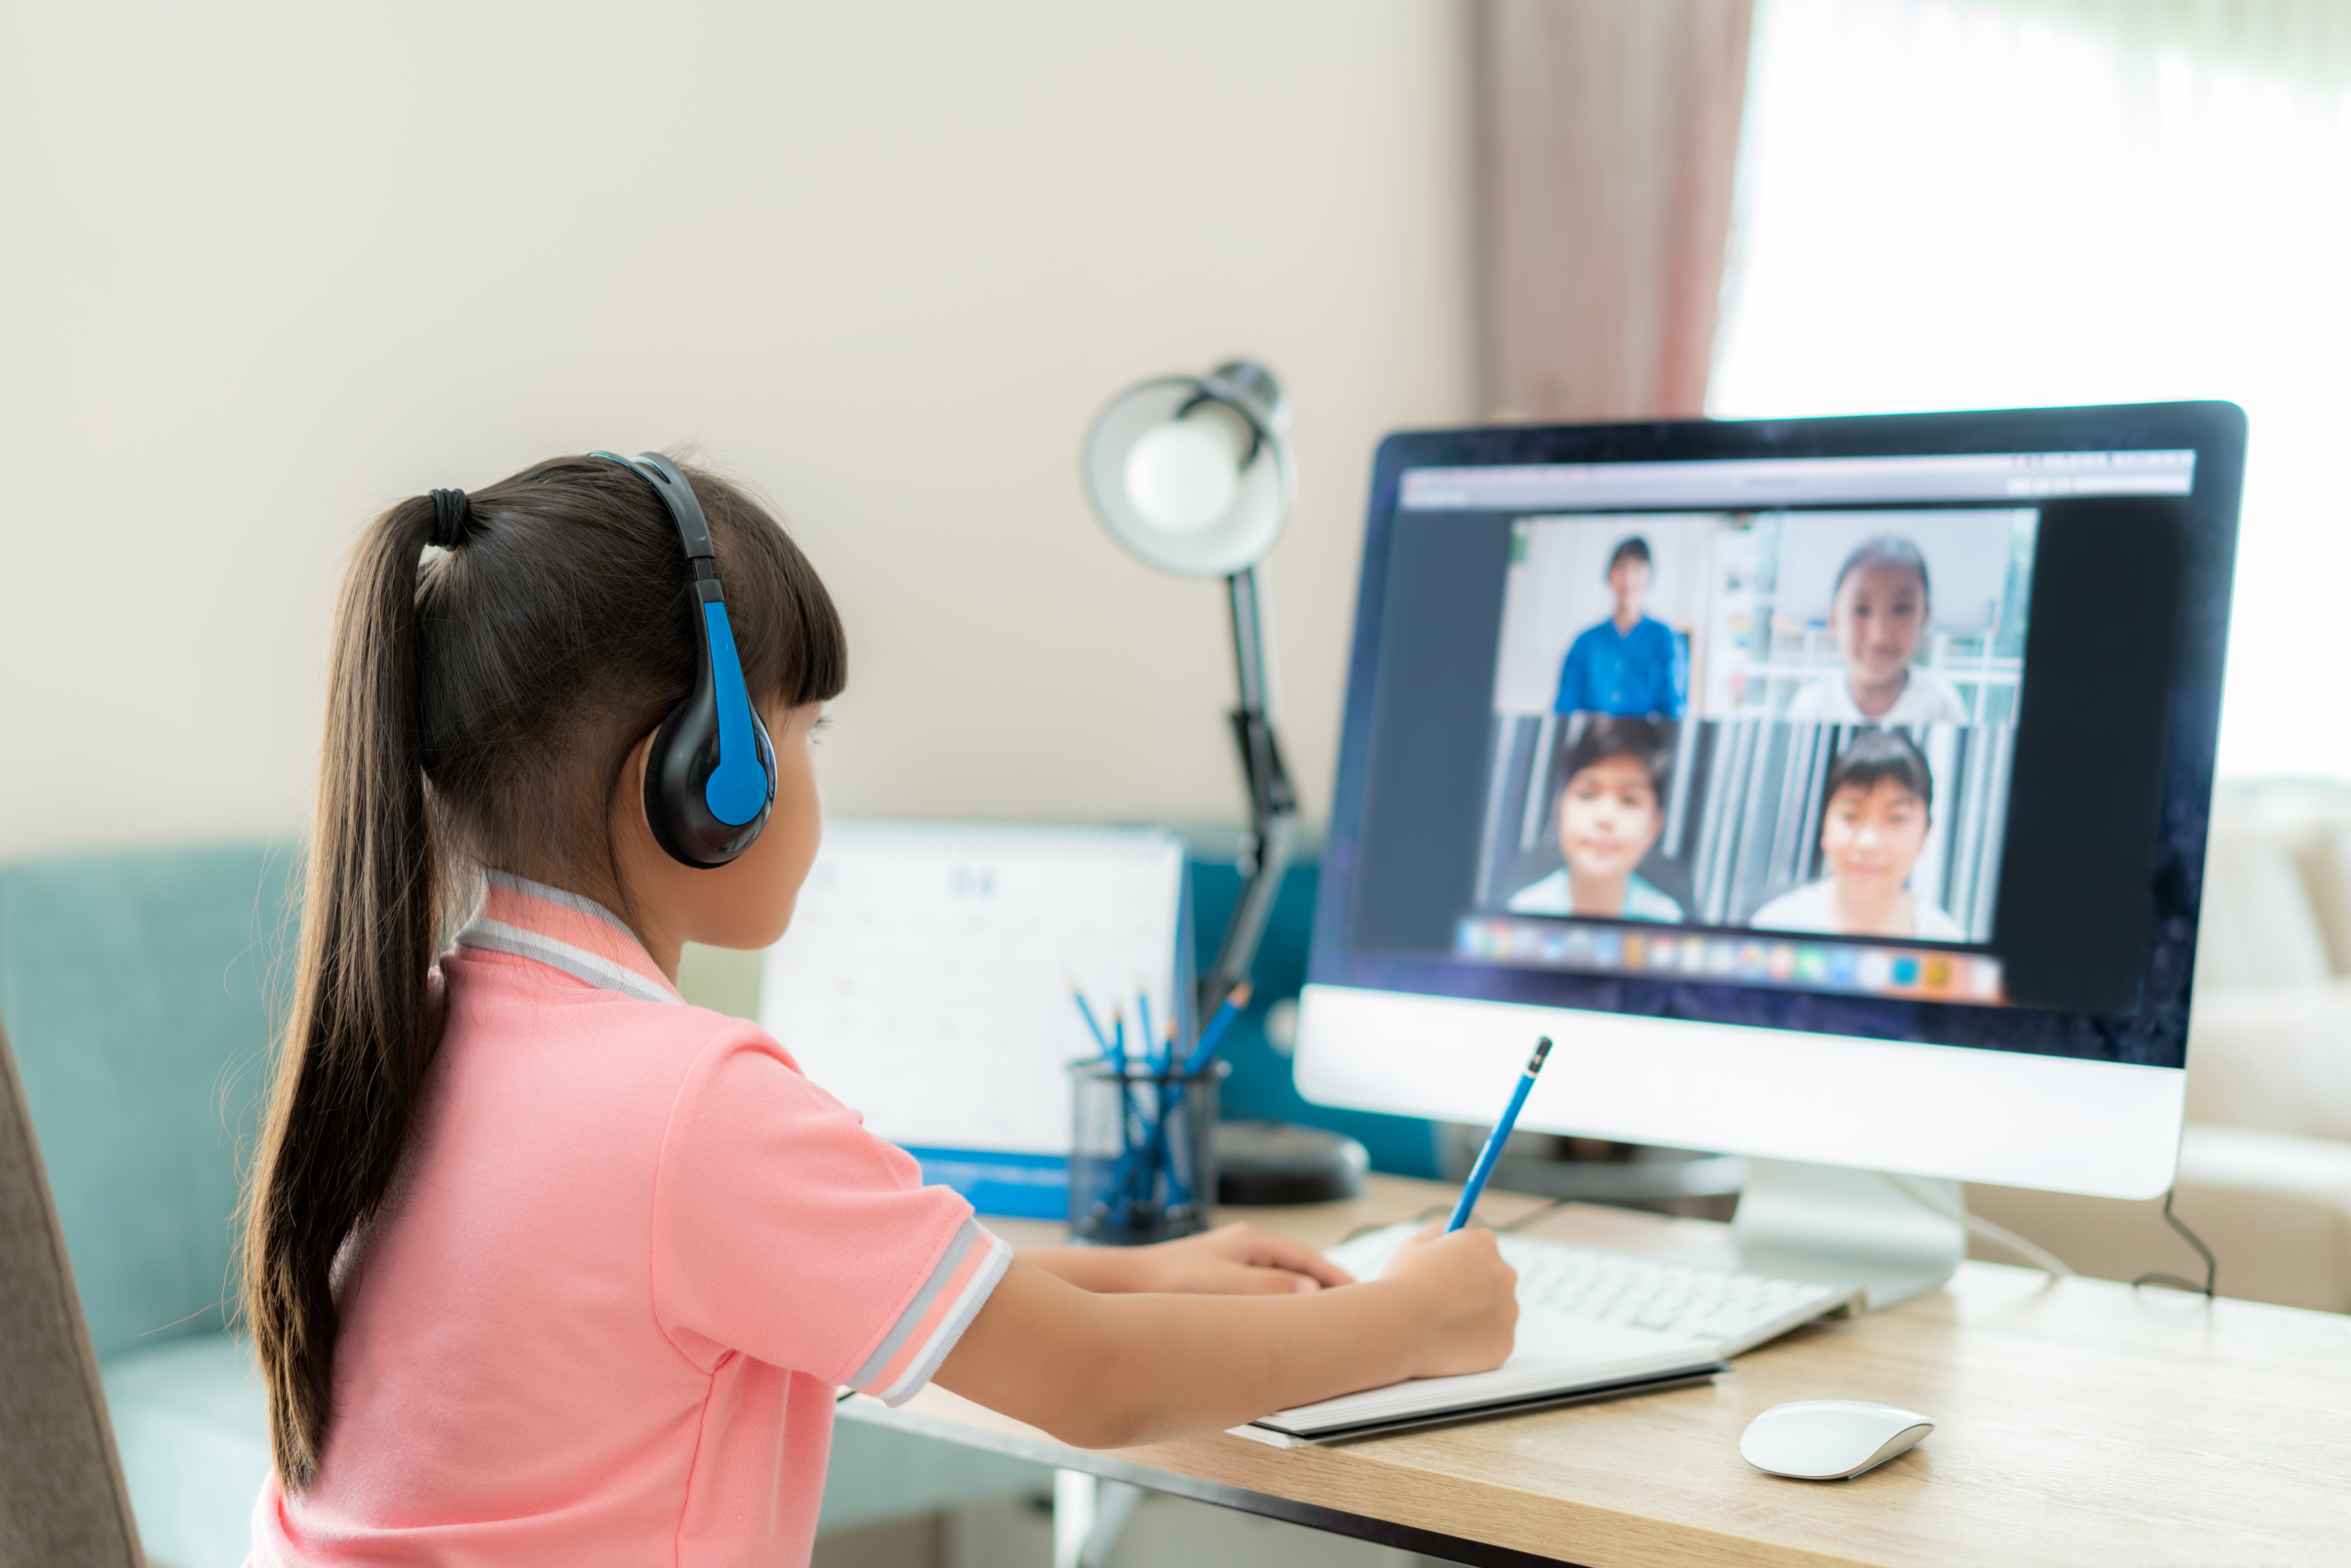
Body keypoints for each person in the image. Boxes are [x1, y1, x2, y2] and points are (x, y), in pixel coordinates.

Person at [240, 456, 1517, 1566]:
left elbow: (752, 1290)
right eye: (806, 730)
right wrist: (1412, 1317)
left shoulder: (410, 1027)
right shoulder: (689, 1105)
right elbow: (1091, 1386)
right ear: (705, 781)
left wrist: (1131, 1277)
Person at [1748, 730, 1966, 940]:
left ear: (1925, 835)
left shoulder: (1948, 939)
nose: (1868, 843)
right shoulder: (1775, 925)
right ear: (1824, 825)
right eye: (1851, 816)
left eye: (1897, 818)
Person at [1507, 717, 1685, 922]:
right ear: (1558, 810)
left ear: (1654, 827)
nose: (1605, 817)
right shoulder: (1523, 912)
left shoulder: (1666, 920)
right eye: (1588, 794)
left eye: (1629, 800)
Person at [1784, 534, 1968, 724]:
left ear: (1925, 616)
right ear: (1834, 620)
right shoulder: (1810, 707)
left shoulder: (1942, 706)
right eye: (1860, 610)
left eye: (1902, 609)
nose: (1879, 636)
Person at [1554, 536, 1687, 718]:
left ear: (1648, 576)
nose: (1628, 579)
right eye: (1621, 569)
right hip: (1593, 744)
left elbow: (1675, 710)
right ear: (1610, 575)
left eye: (1637, 570)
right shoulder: (1585, 643)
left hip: (1646, 746)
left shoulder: (1667, 639)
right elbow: (1564, 710)